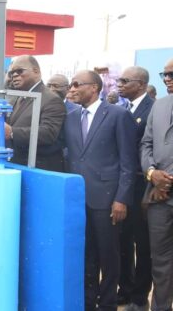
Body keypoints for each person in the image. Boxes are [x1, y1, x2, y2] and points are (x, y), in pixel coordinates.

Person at [65, 70, 137, 311]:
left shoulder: (118, 115)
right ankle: (88, 302)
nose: (72, 88)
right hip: (78, 199)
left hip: (107, 200)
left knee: (109, 255)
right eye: (71, 84)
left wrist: (121, 199)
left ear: (94, 87)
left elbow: (128, 161)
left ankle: (107, 304)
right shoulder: (72, 116)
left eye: (77, 84)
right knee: (86, 254)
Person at [115, 67, 154, 311]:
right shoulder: (123, 109)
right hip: (123, 184)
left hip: (142, 184)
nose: (119, 84)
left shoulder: (152, 109)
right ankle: (125, 289)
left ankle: (140, 297)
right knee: (123, 240)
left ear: (140, 84)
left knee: (143, 244)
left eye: (124, 81)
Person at [140, 58, 173, 311]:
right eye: (165, 75)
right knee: (160, 263)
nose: (167, 79)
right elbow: (146, 144)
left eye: (172, 74)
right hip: (159, 200)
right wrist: (152, 173)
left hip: (166, 189)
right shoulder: (159, 106)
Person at [5, 55, 67, 171]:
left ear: (36, 71)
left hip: (39, 169)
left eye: (19, 71)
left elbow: (48, 133)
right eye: (12, 73)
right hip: (16, 166)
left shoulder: (51, 99)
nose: (14, 75)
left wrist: (12, 132)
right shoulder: (15, 98)